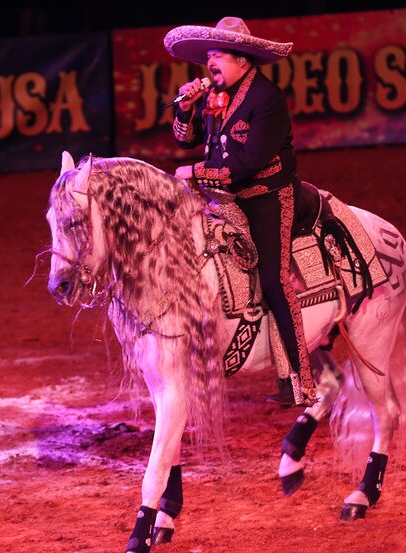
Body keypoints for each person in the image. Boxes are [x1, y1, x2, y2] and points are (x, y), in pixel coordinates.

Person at [164, 17, 314, 406]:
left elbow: (248, 162)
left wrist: (195, 172)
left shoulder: (266, 98)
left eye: (220, 56)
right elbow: (187, 140)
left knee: (274, 277)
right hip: (221, 197)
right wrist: (185, 109)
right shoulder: (215, 96)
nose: (211, 63)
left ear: (243, 61)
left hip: (266, 195)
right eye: (209, 56)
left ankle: (300, 378)